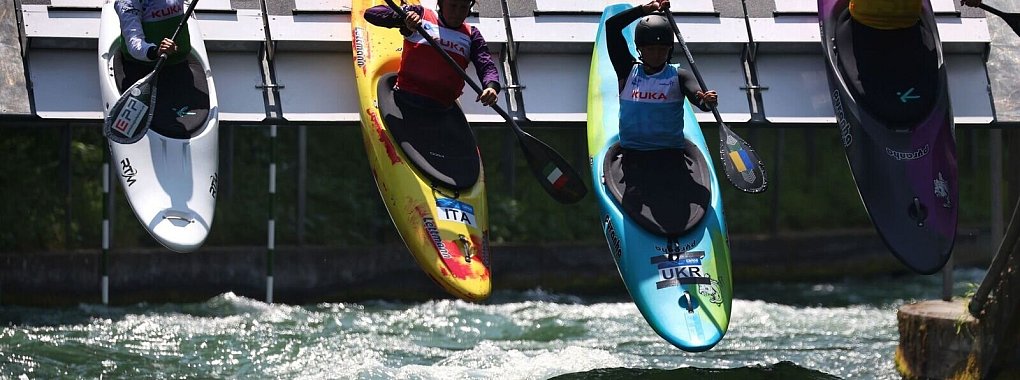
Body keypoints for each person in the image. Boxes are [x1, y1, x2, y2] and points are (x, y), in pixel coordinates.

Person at [606, 0, 716, 152]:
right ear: (640, 49)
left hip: (671, 153)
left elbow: (701, 101)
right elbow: (611, 26)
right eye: (651, 49)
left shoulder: (680, 76)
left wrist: (707, 101)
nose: (657, 55)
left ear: (669, 50)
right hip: (632, 152)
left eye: (662, 49)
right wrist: (644, 10)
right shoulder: (626, 70)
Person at [365, 0, 501, 110]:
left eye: (463, 7)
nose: (458, 12)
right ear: (441, 3)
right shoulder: (420, 15)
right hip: (406, 99)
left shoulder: (472, 34)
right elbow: (371, 14)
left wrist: (491, 87)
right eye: (453, 5)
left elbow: (486, 66)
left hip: (441, 108)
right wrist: (403, 18)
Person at [114, 0, 207, 138]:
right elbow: (134, 42)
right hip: (143, 69)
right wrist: (156, 51)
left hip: (179, 65)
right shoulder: (127, 2)